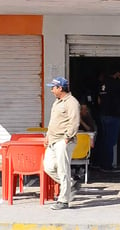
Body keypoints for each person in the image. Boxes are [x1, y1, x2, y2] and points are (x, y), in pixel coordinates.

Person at [43, 77, 80, 210]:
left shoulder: (71, 102)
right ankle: (71, 184)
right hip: (53, 140)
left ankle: (64, 200)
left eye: (53, 87)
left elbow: (74, 122)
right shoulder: (57, 102)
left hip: (63, 141)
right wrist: (47, 135)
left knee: (63, 170)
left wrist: (67, 138)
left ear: (60, 88)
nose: (52, 90)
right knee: (48, 167)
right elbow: (53, 121)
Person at [98, 71, 120, 172]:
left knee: (104, 140)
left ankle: (101, 163)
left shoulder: (101, 85)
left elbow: (99, 100)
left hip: (103, 115)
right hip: (113, 115)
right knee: (110, 142)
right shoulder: (116, 84)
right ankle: (107, 166)